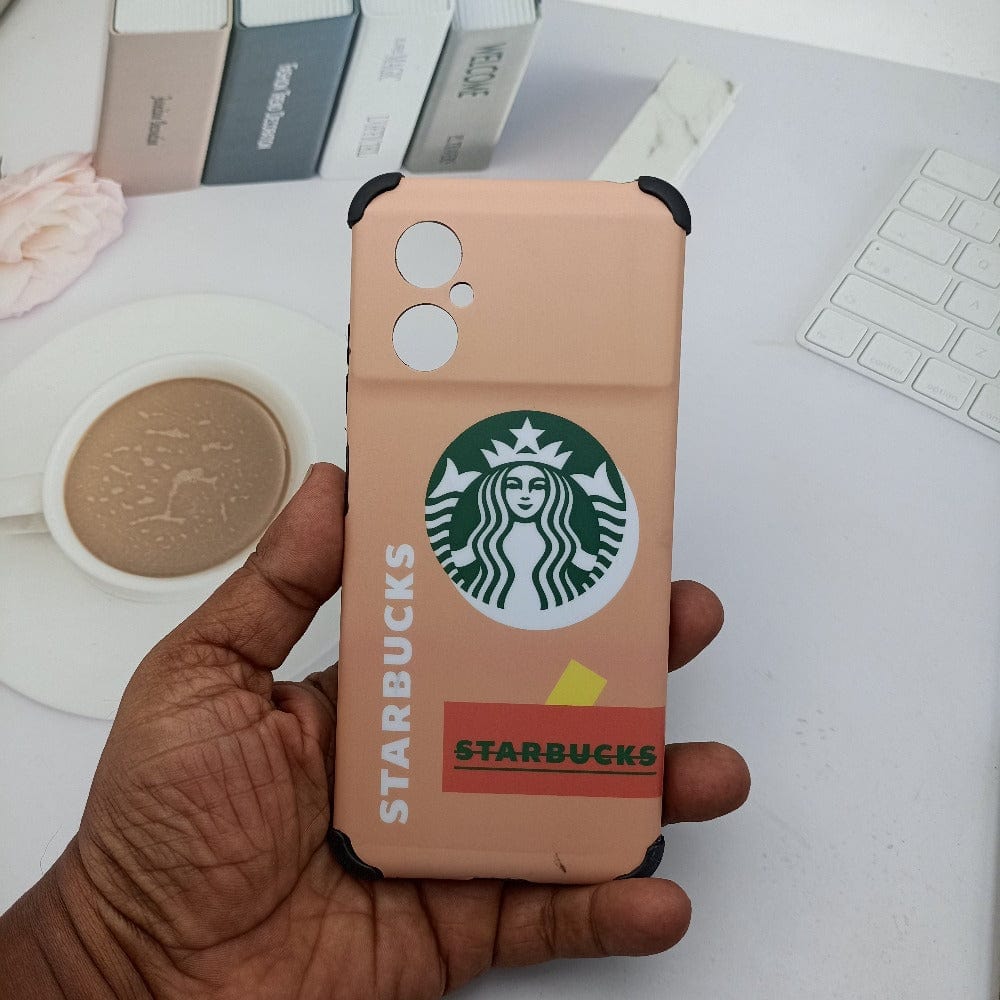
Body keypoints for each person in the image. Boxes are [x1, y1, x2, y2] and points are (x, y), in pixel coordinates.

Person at [0, 464, 750, 998]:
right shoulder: (468, 562)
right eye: (511, 483)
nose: (525, 493)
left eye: (538, 485)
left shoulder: (570, 579)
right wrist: (117, 950)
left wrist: (112, 958)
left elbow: (577, 666)